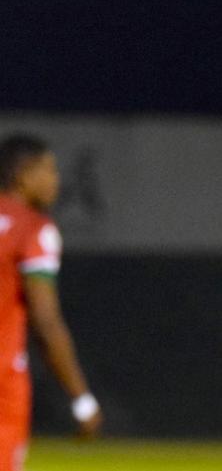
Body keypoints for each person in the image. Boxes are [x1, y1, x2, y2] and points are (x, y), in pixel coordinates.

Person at [0, 135, 102, 471]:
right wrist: (81, 398)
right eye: (48, 170)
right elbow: (45, 321)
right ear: (22, 174)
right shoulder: (34, 229)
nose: (55, 180)